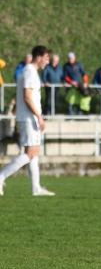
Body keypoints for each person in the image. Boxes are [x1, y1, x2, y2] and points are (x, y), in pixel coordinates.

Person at [0, 45, 55, 197]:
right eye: (46, 58)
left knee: (33, 153)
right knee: (30, 153)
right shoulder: (30, 72)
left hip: (28, 117)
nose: (47, 62)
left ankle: (36, 188)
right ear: (38, 57)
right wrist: (39, 116)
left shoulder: (29, 71)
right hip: (29, 118)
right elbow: (27, 97)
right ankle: (1, 176)